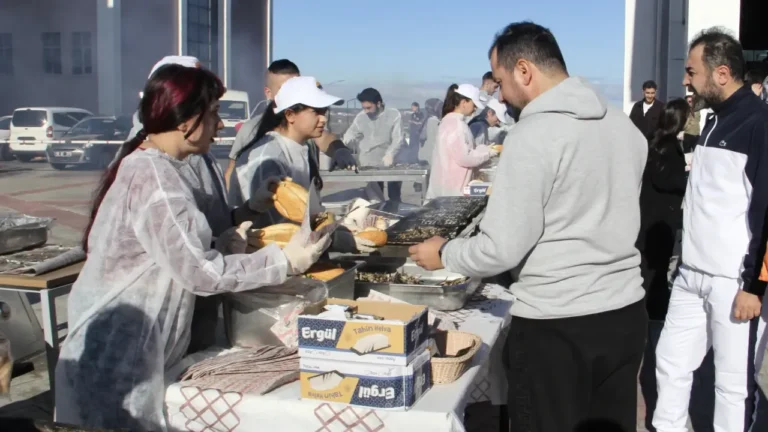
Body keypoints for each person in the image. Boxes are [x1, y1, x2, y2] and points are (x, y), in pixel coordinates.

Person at [54, 65, 330, 431]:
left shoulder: (163, 168)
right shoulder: (156, 178)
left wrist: (224, 241)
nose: (219, 124)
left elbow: (173, 249)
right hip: (117, 356)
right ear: (187, 121)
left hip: (139, 348)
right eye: (214, 112)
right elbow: (199, 273)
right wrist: (283, 260)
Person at [409, 22, 648, 432]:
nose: (499, 94)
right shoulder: (623, 126)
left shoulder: (533, 134)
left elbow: (501, 248)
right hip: (625, 314)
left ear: (524, 71)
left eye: (500, 81)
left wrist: (443, 253)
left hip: (557, 326)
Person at [653, 28, 768, 432]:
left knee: (732, 386)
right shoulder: (712, 121)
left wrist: (754, 285)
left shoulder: (759, 124)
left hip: (733, 280)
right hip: (690, 274)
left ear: (721, 73)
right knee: (669, 364)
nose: (685, 79)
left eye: (691, 71)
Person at [636, 99, 716, 431]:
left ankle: (653, 306)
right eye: (689, 118)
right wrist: (692, 176)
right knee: (653, 266)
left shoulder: (660, 143)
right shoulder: (665, 147)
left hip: (657, 219)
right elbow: (666, 179)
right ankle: (652, 311)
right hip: (657, 221)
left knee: (653, 265)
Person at [233, 76, 376, 253]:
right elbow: (278, 227)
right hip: (267, 257)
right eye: (316, 112)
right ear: (290, 115)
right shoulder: (269, 157)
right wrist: (333, 238)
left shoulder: (300, 146)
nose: (324, 119)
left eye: (325, 112)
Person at [223, 59, 356, 191]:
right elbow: (234, 173)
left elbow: (325, 138)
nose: (323, 119)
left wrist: (339, 149)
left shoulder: (306, 126)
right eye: (285, 88)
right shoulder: (253, 133)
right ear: (268, 93)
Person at [425, 84, 496, 199]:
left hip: (444, 189)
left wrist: (482, 149)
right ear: (464, 103)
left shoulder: (448, 122)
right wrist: (487, 153)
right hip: (452, 192)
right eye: (474, 105)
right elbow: (465, 158)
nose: (475, 109)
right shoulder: (457, 125)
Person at [343, 87, 405, 201]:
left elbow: (398, 138)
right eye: (363, 108)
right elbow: (350, 134)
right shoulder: (361, 117)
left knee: (395, 197)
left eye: (368, 107)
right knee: (375, 197)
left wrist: (390, 154)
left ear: (379, 103)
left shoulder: (393, 114)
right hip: (369, 162)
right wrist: (344, 146)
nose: (366, 111)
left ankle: (395, 214)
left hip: (390, 162)